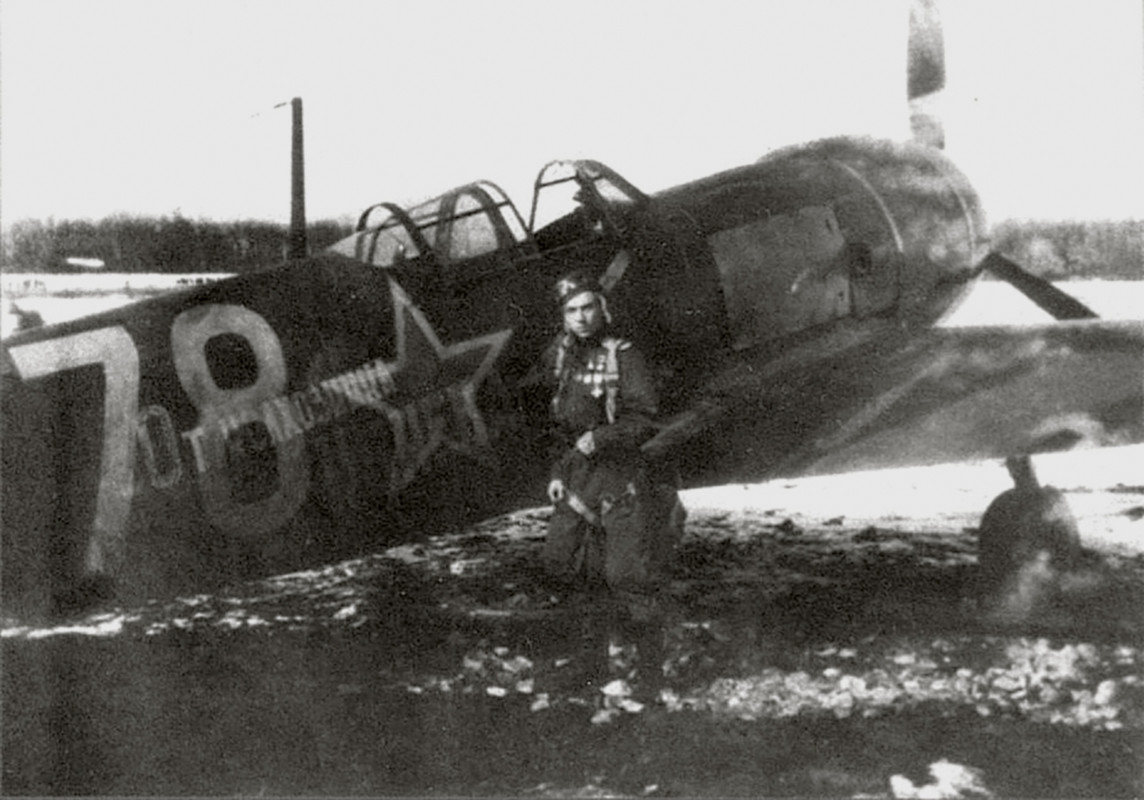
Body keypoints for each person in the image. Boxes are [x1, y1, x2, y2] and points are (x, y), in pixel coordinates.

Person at [539, 270, 685, 690]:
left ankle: (650, 677)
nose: (581, 318)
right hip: (578, 480)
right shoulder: (562, 357)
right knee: (574, 570)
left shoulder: (624, 355)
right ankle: (592, 666)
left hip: (620, 477)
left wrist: (600, 439)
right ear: (563, 317)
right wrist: (556, 472)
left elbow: (644, 418)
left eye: (588, 308)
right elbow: (557, 426)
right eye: (571, 311)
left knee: (628, 577)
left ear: (603, 309)